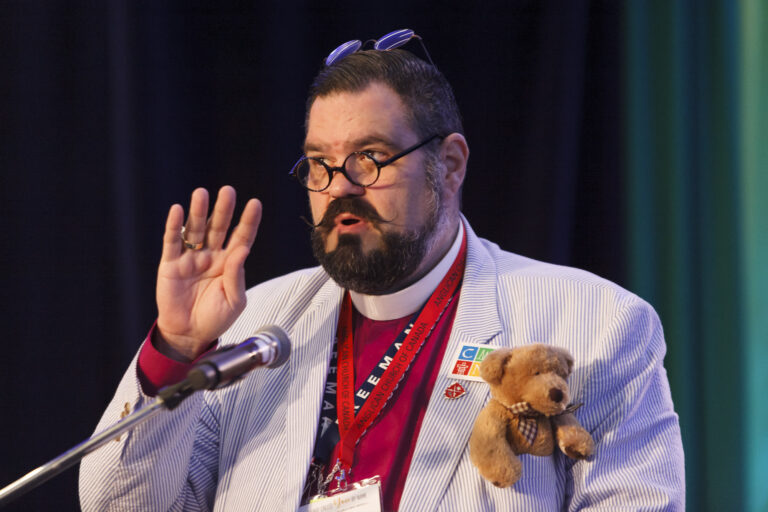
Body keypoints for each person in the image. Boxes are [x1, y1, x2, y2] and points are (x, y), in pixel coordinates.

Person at [79, 34, 685, 511]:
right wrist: (177, 347)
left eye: (369, 158)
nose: (339, 187)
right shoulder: (249, 330)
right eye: (319, 163)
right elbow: (120, 506)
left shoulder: (596, 323)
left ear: (449, 165)